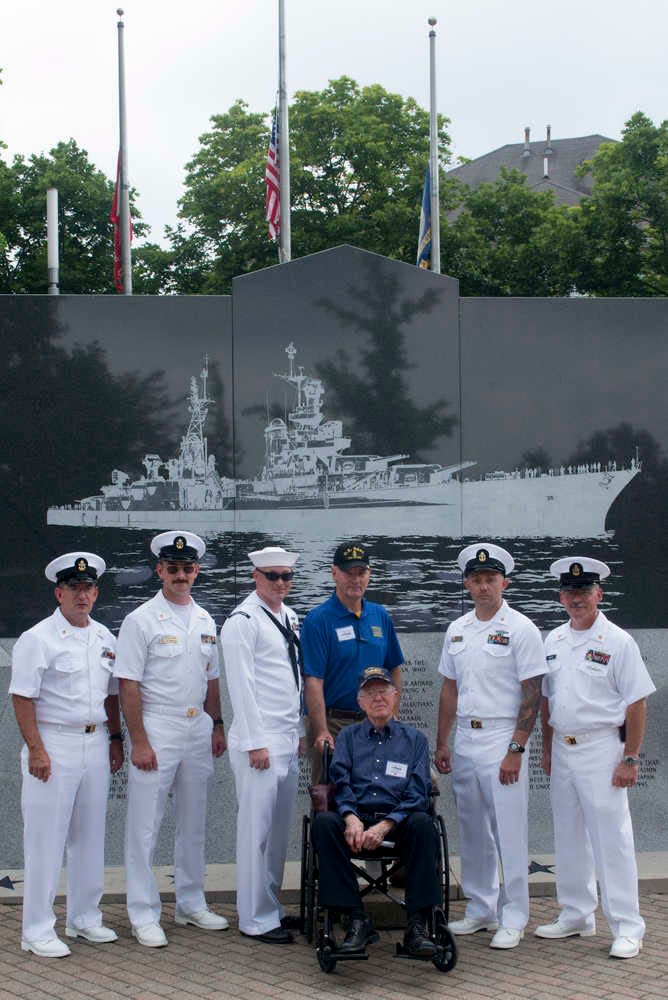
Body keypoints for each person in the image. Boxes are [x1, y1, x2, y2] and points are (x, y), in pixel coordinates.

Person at [535, 557, 656, 959]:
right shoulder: (552, 640)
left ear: (598, 594)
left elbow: (636, 702)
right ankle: (576, 914)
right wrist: (547, 749)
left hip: (603, 748)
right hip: (564, 750)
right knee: (568, 836)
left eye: (584, 592)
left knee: (612, 839)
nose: (576, 599)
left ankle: (627, 925)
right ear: (560, 597)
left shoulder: (618, 641)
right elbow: (547, 701)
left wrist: (631, 757)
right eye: (570, 593)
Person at [114, 531, 228, 948]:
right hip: (156, 727)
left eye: (187, 568)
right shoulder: (140, 619)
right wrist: (138, 741)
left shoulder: (204, 619)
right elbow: (128, 685)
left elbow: (211, 677)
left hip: (197, 728)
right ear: (159, 571)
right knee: (145, 825)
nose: (181, 575)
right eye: (173, 568)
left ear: (196, 571)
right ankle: (143, 913)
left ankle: (191, 902)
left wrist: (216, 724)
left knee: (194, 821)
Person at [9, 552, 124, 958]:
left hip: (95, 744)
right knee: (45, 840)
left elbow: (111, 696)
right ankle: (36, 929)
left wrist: (115, 739)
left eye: (88, 588)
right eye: (74, 588)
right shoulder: (37, 638)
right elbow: (22, 698)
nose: (82, 594)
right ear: (59, 592)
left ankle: (84, 918)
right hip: (53, 744)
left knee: (90, 836)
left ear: (96, 592)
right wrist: (37, 750)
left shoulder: (105, 637)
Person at [434, 543, 545, 950]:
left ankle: (514, 914)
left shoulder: (521, 628)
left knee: (508, 830)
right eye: (476, 580)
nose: (483, 587)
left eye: (490, 580)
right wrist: (442, 741)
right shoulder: (458, 628)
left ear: (504, 582)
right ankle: (482, 907)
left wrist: (517, 748)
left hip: (503, 737)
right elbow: (450, 687)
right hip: (466, 737)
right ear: (467, 583)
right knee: (473, 828)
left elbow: (532, 691)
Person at [310, 666, 441, 957]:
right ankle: (356, 918)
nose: (377, 697)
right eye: (370, 693)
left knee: (423, 824)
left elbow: (418, 790)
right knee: (322, 824)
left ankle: (418, 925)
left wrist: (386, 825)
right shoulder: (347, 738)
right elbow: (340, 781)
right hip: (357, 818)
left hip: (399, 822)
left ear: (395, 696)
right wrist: (350, 816)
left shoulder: (415, 740)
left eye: (383, 691)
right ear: (360, 701)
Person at [220, 546, 302, 945]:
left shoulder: (288, 615)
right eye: (272, 576)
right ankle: (253, 918)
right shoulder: (242, 621)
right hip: (260, 742)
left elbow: (292, 678)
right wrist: (255, 743)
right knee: (256, 832)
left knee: (278, 832)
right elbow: (242, 685)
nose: (281, 583)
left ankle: (271, 907)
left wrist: (298, 734)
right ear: (255, 576)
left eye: (286, 576)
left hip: (286, 738)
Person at [302, 541, 404, 782]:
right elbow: (313, 680)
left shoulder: (380, 616)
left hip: (375, 721)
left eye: (361, 573)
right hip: (335, 723)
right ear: (334, 573)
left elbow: (394, 669)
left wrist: (393, 713)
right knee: (330, 797)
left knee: (390, 788)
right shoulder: (318, 620)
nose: (355, 580)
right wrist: (321, 729)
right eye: (349, 573)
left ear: (369, 575)